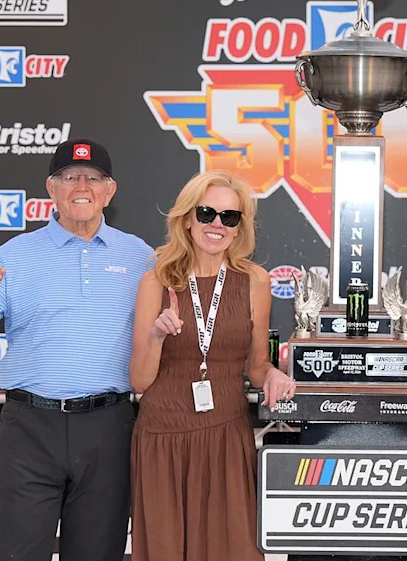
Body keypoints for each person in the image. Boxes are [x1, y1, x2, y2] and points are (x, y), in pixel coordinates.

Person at [0, 139, 152, 561]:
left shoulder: (141, 257)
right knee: (19, 554)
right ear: (50, 189)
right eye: (69, 176)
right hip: (30, 429)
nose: (81, 185)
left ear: (109, 192)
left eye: (93, 177)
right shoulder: (12, 257)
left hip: (109, 427)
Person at [128, 169, 296, 561]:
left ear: (239, 229)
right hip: (163, 439)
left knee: (232, 549)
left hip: (225, 436)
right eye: (206, 213)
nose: (217, 224)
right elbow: (138, 380)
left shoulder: (255, 281)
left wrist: (272, 373)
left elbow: (256, 365)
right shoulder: (156, 281)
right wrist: (155, 336)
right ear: (188, 218)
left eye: (229, 217)